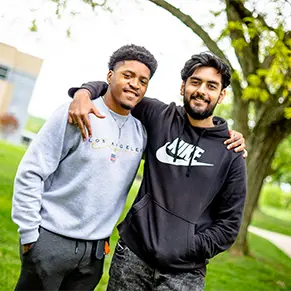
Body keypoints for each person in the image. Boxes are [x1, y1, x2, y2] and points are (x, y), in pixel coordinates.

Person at [67, 52, 247, 291]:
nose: (201, 91)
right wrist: (83, 93)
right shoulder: (159, 116)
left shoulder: (231, 151)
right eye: (195, 82)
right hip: (133, 256)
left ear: (221, 95)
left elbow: (229, 223)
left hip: (185, 273)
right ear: (183, 86)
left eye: (211, 85)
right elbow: (119, 89)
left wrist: (189, 246)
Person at [11, 44, 158, 291]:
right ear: (110, 76)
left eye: (143, 81)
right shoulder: (75, 113)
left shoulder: (141, 132)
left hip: (94, 255)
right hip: (50, 240)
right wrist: (29, 235)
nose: (135, 84)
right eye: (128, 75)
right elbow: (31, 172)